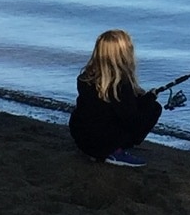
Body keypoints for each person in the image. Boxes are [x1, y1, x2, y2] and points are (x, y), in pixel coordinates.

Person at [69, 29, 172, 166]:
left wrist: (144, 97)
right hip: (102, 143)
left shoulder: (85, 78)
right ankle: (115, 151)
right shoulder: (121, 86)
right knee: (154, 109)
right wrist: (149, 99)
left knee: (102, 116)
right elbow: (131, 119)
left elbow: (109, 108)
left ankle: (102, 150)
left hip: (82, 137)